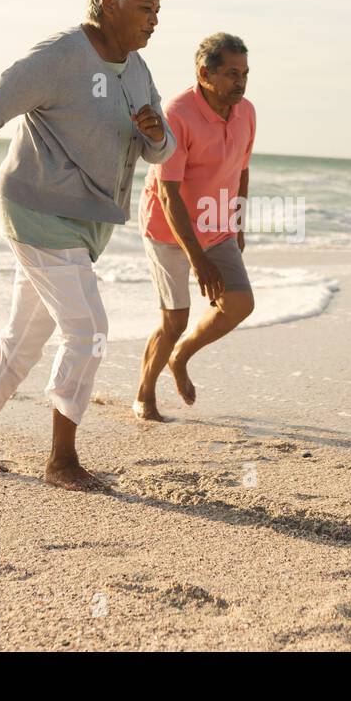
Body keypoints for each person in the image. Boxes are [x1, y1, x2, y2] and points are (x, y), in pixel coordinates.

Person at [0, 0, 176, 490]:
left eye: (157, 10)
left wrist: (154, 133)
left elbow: (159, 153)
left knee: (26, 333)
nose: (154, 20)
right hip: (36, 208)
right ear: (106, 2)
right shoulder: (60, 57)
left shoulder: (137, 71)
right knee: (88, 329)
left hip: (88, 221)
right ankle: (62, 460)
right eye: (145, 8)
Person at [133, 33, 256, 421]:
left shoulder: (247, 111)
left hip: (216, 222)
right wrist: (198, 260)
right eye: (232, 73)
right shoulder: (178, 114)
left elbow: (242, 170)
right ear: (205, 74)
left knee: (238, 303)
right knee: (175, 319)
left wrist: (236, 222)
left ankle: (180, 356)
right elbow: (168, 194)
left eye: (245, 73)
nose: (241, 81)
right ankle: (144, 394)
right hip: (167, 225)